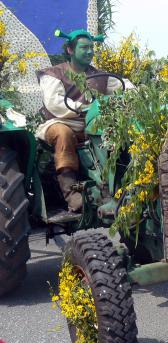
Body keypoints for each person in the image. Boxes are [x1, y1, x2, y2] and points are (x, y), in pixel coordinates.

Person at [35, 29, 125, 213]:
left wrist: (137, 94)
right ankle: (71, 193)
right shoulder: (54, 74)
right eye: (84, 47)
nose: (90, 51)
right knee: (63, 134)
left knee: (119, 131)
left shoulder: (100, 76)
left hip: (92, 125)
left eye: (91, 47)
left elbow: (125, 88)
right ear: (70, 50)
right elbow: (54, 104)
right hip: (61, 123)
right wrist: (84, 107)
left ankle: (116, 186)